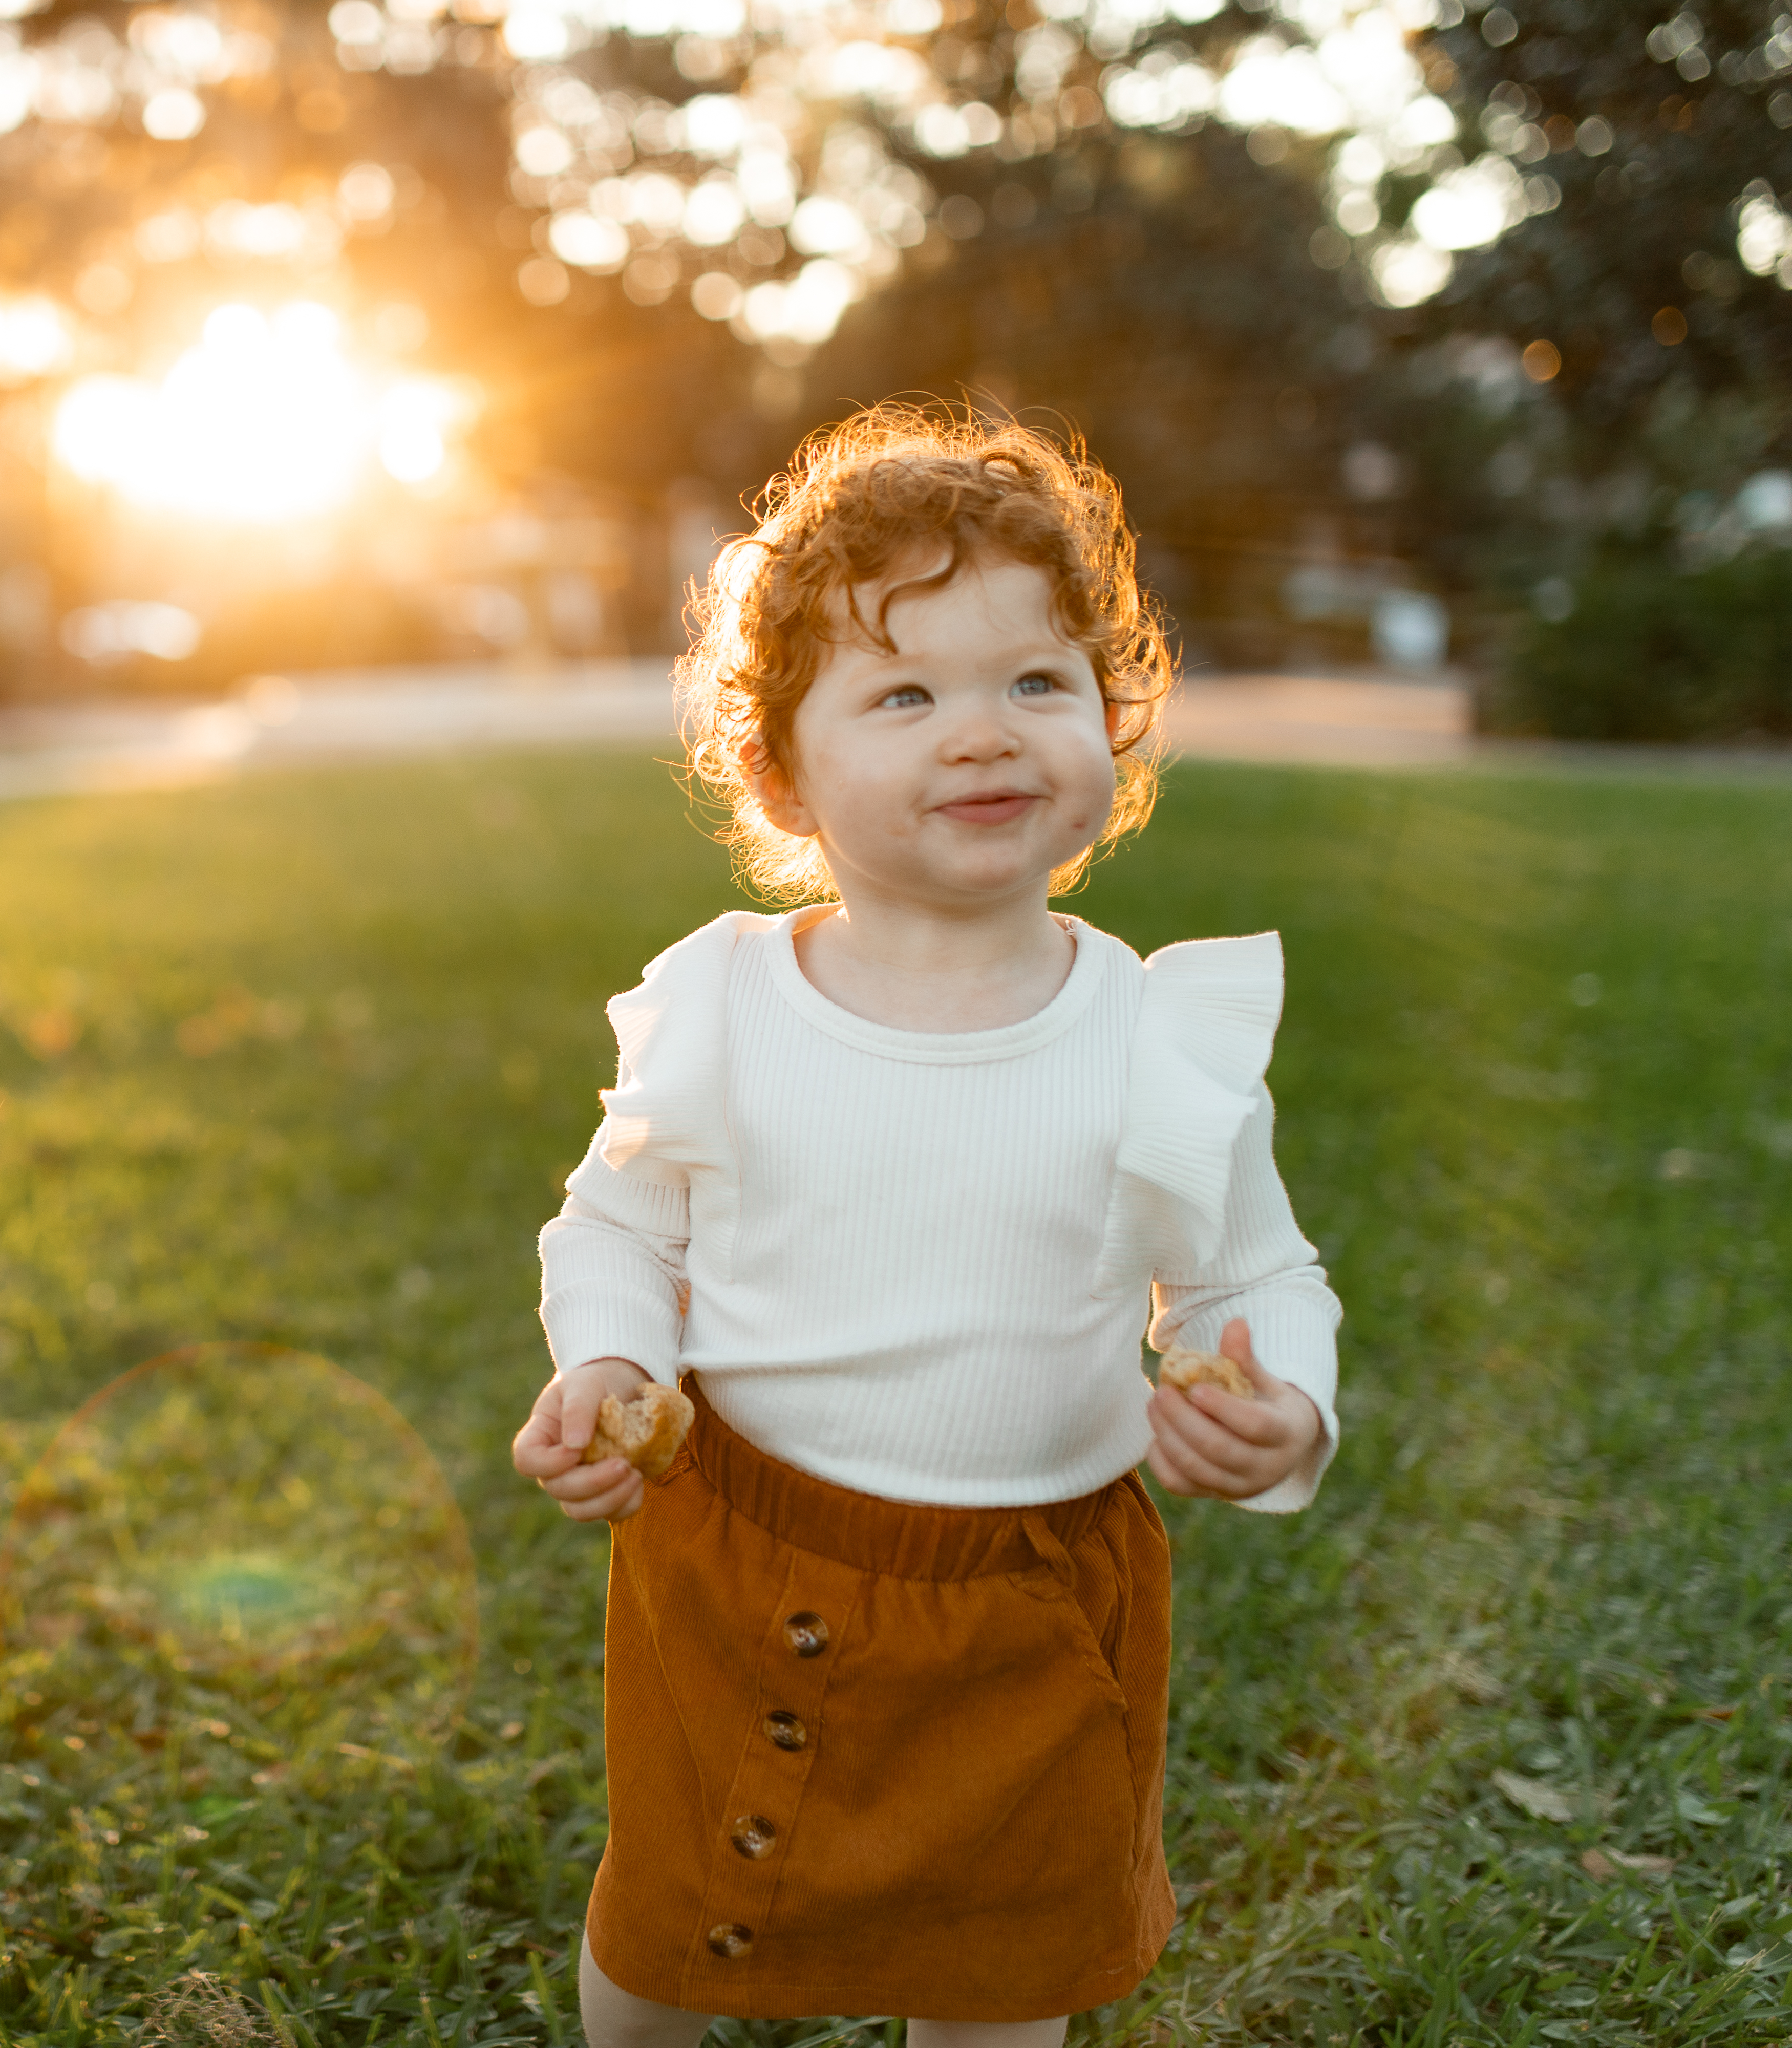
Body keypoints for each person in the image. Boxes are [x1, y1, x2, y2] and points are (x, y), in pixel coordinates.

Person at [510, 408, 1341, 2048]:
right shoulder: (728, 1005)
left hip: (1035, 1587)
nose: (984, 734)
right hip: (741, 1551)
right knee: (678, 1919)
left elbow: (1253, 1269)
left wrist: (1281, 1398)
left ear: (1110, 730)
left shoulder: (1157, 1037)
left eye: (1037, 684)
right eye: (905, 694)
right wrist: (607, 1355)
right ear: (780, 774)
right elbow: (617, 1226)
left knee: (1001, 1959)